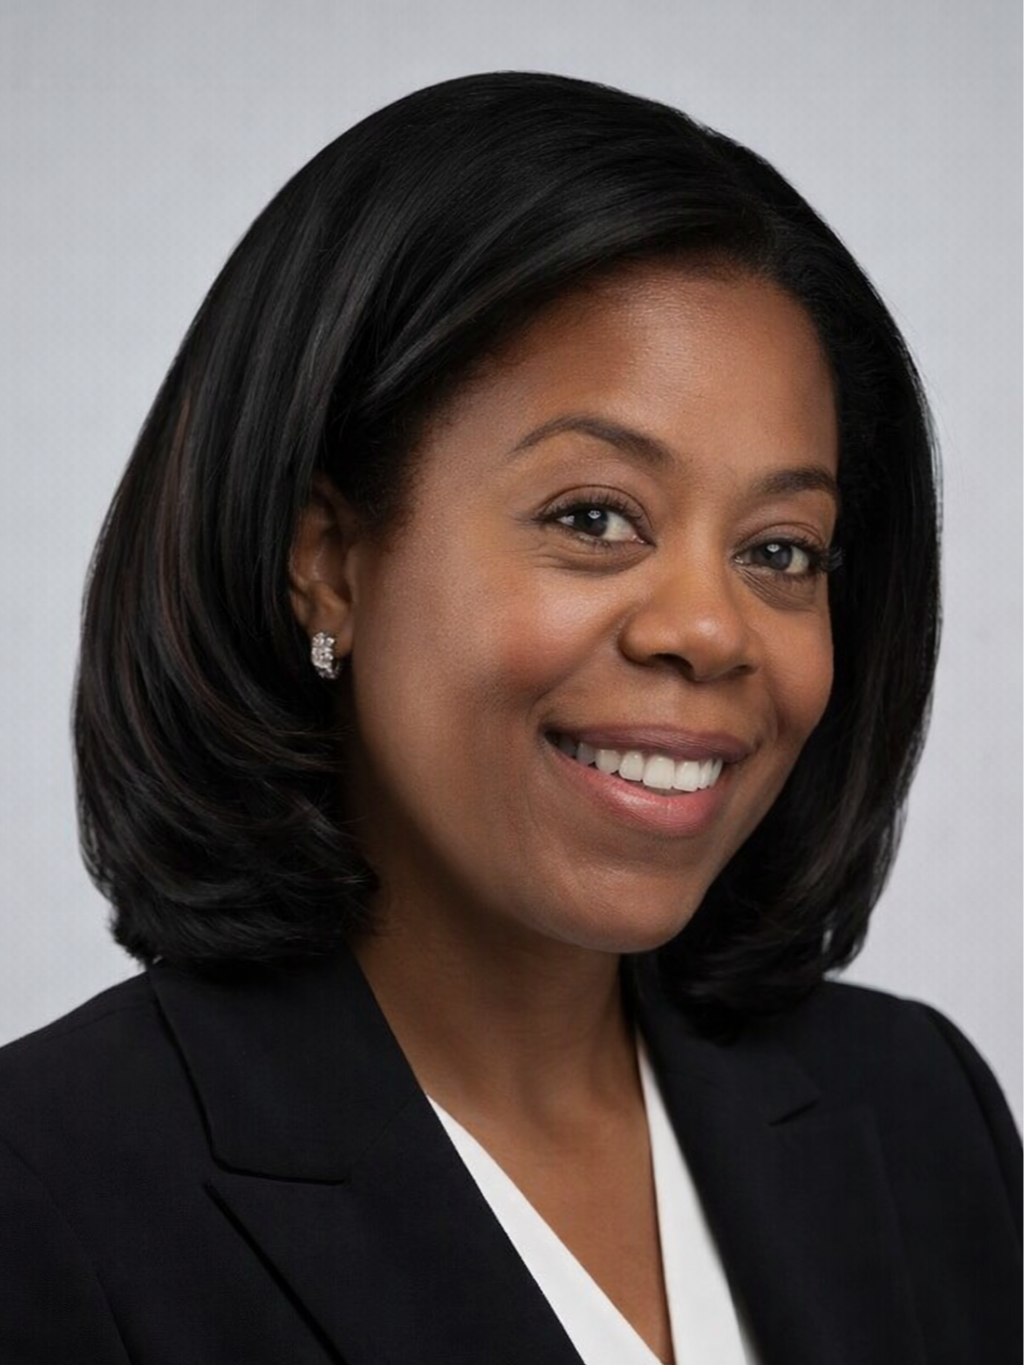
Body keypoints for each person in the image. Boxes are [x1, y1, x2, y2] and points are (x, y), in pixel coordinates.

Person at [0, 70, 1020, 1364]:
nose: (710, 630)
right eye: (594, 518)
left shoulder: (922, 1112)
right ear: (327, 560)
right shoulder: (48, 1195)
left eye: (780, 550)